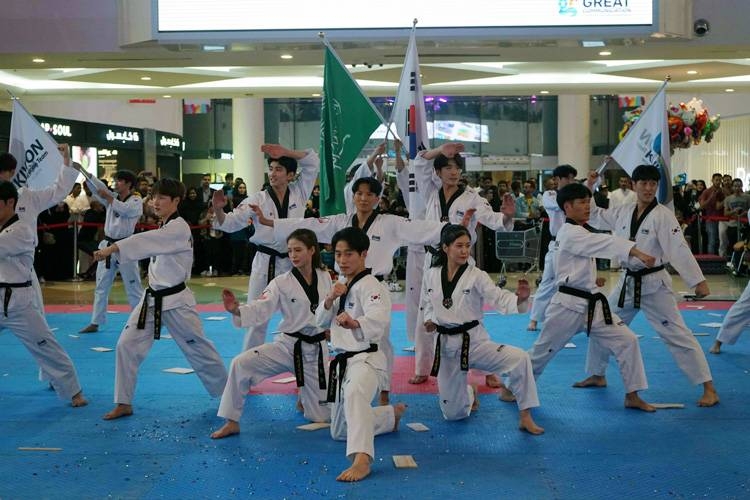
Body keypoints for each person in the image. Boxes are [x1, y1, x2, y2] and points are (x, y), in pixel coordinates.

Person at [260, 176, 448, 405]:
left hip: (373, 284)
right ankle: (316, 390)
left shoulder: (390, 222)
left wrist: (454, 229)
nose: (363, 198)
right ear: (353, 196)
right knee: (337, 336)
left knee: (380, 340)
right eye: (359, 193)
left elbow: (422, 228)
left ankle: (384, 390)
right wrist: (272, 224)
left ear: (378, 199)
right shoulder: (342, 221)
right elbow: (310, 225)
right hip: (343, 286)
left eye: (369, 194)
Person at [574, 165, 719, 407]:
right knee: (601, 324)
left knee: (677, 335)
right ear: (634, 185)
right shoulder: (623, 210)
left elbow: (678, 249)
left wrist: (698, 281)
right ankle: (597, 374)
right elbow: (596, 215)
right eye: (643, 183)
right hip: (627, 282)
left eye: (653, 184)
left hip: (654, 285)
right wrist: (589, 185)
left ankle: (708, 387)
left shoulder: (663, 215)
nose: (649, 188)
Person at [93, 178, 228, 420]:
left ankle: (230, 393)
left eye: (162, 198)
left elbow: (144, 242)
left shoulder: (179, 228)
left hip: (177, 302)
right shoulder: (164, 225)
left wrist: (113, 249)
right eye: (154, 197)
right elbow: (148, 243)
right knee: (126, 345)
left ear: (176, 201)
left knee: (199, 349)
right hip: (153, 299)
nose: (155, 202)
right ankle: (124, 402)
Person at [528, 182, 656, 412]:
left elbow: (575, 262)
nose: (588, 206)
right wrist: (636, 250)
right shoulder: (570, 233)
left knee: (628, 340)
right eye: (582, 202)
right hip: (567, 307)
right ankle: (511, 386)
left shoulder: (580, 231)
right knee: (542, 352)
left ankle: (633, 394)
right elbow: (604, 243)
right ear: (567, 207)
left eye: (589, 201)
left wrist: (589, 280)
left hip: (593, 305)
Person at [409, 142, 515, 389]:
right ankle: (422, 368)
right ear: (438, 172)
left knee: (469, 316)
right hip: (434, 260)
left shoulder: (472, 198)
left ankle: (487, 368)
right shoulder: (430, 191)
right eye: (447, 167)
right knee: (426, 313)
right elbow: (419, 162)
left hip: (461, 261)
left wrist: (508, 215)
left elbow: (494, 220)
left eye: (456, 167)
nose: (453, 172)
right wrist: (440, 151)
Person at [210, 229, 332, 439]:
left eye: (298, 250)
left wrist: (330, 329)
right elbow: (261, 307)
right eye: (290, 250)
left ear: (312, 250)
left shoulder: (325, 276)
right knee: (240, 363)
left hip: (314, 352)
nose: (292, 255)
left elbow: (329, 308)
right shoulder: (281, 282)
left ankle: (305, 395)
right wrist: (236, 310)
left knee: (321, 417)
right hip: (287, 346)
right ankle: (231, 421)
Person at [422, 224, 544, 434]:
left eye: (467, 246)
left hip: (474, 342)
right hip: (445, 346)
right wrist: (430, 319)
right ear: (445, 248)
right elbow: (427, 303)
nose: (464, 251)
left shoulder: (476, 275)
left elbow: (497, 297)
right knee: (453, 415)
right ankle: (470, 393)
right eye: (458, 246)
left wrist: (520, 299)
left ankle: (525, 415)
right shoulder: (431, 274)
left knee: (521, 358)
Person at [315, 227, 406, 482]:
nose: (342, 260)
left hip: (367, 359)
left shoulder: (372, 286)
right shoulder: (340, 285)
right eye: (338, 254)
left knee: (356, 394)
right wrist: (330, 298)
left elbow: (379, 319)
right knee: (339, 431)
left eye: (349, 254)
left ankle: (363, 459)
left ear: (364, 254)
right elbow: (318, 322)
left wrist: (355, 323)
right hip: (343, 361)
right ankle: (389, 416)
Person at [211, 144, 319, 351]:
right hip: (265, 262)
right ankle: (248, 367)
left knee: (301, 314)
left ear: (290, 175)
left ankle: (304, 364)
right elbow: (230, 223)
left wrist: (286, 152)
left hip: (293, 262)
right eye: (271, 169)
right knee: (256, 317)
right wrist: (218, 210)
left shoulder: (300, 192)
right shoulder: (257, 199)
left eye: (278, 169)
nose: (273, 174)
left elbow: (312, 161)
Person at [0, 180, 87, 407]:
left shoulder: (20, 230)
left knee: (44, 344)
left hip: (18, 302)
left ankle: (74, 391)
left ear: (10, 202)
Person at [79, 170, 144, 333]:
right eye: (116, 180)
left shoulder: (136, 201)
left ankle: (139, 321)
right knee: (101, 285)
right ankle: (95, 321)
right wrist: (84, 172)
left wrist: (108, 197)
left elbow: (124, 210)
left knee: (133, 285)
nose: (117, 183)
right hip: (107, 245)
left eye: (120, 180)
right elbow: (98, 189)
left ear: (129, 184)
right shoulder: (112, 198)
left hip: (126, 246)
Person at [527, 164, 578, 332]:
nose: (571, 181)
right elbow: (559, 205)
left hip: (575, 244)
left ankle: (577, 319)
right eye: (568, 178)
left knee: (577, 282)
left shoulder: (577, 196)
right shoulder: (549, 195)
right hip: (557, 243)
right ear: (558, 179)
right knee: (548, 281)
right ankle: (534, 319)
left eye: (573, 178)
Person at [699, 173, 725, 255]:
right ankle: (711, 260)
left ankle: (721, 260)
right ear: (712, 180)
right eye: (716, 180)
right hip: (710, 219)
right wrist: (711, 197)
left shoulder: (723, 191)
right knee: (712, 240)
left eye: (720, 180)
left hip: (722, 220)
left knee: (721, 241)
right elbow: (702, 206)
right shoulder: (707, 191)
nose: (718, 182)